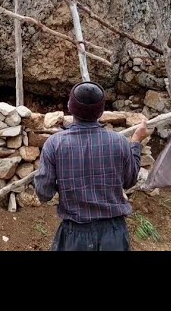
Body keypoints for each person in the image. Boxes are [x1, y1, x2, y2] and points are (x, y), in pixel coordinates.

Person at [34, 81, 150, 251]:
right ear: (101, 111)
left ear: (70, 107)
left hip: (75, 236)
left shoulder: (55, 144)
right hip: (114, 235)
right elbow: (129, 180)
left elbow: (44, 193)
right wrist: (135, 143)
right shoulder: (119, 142)